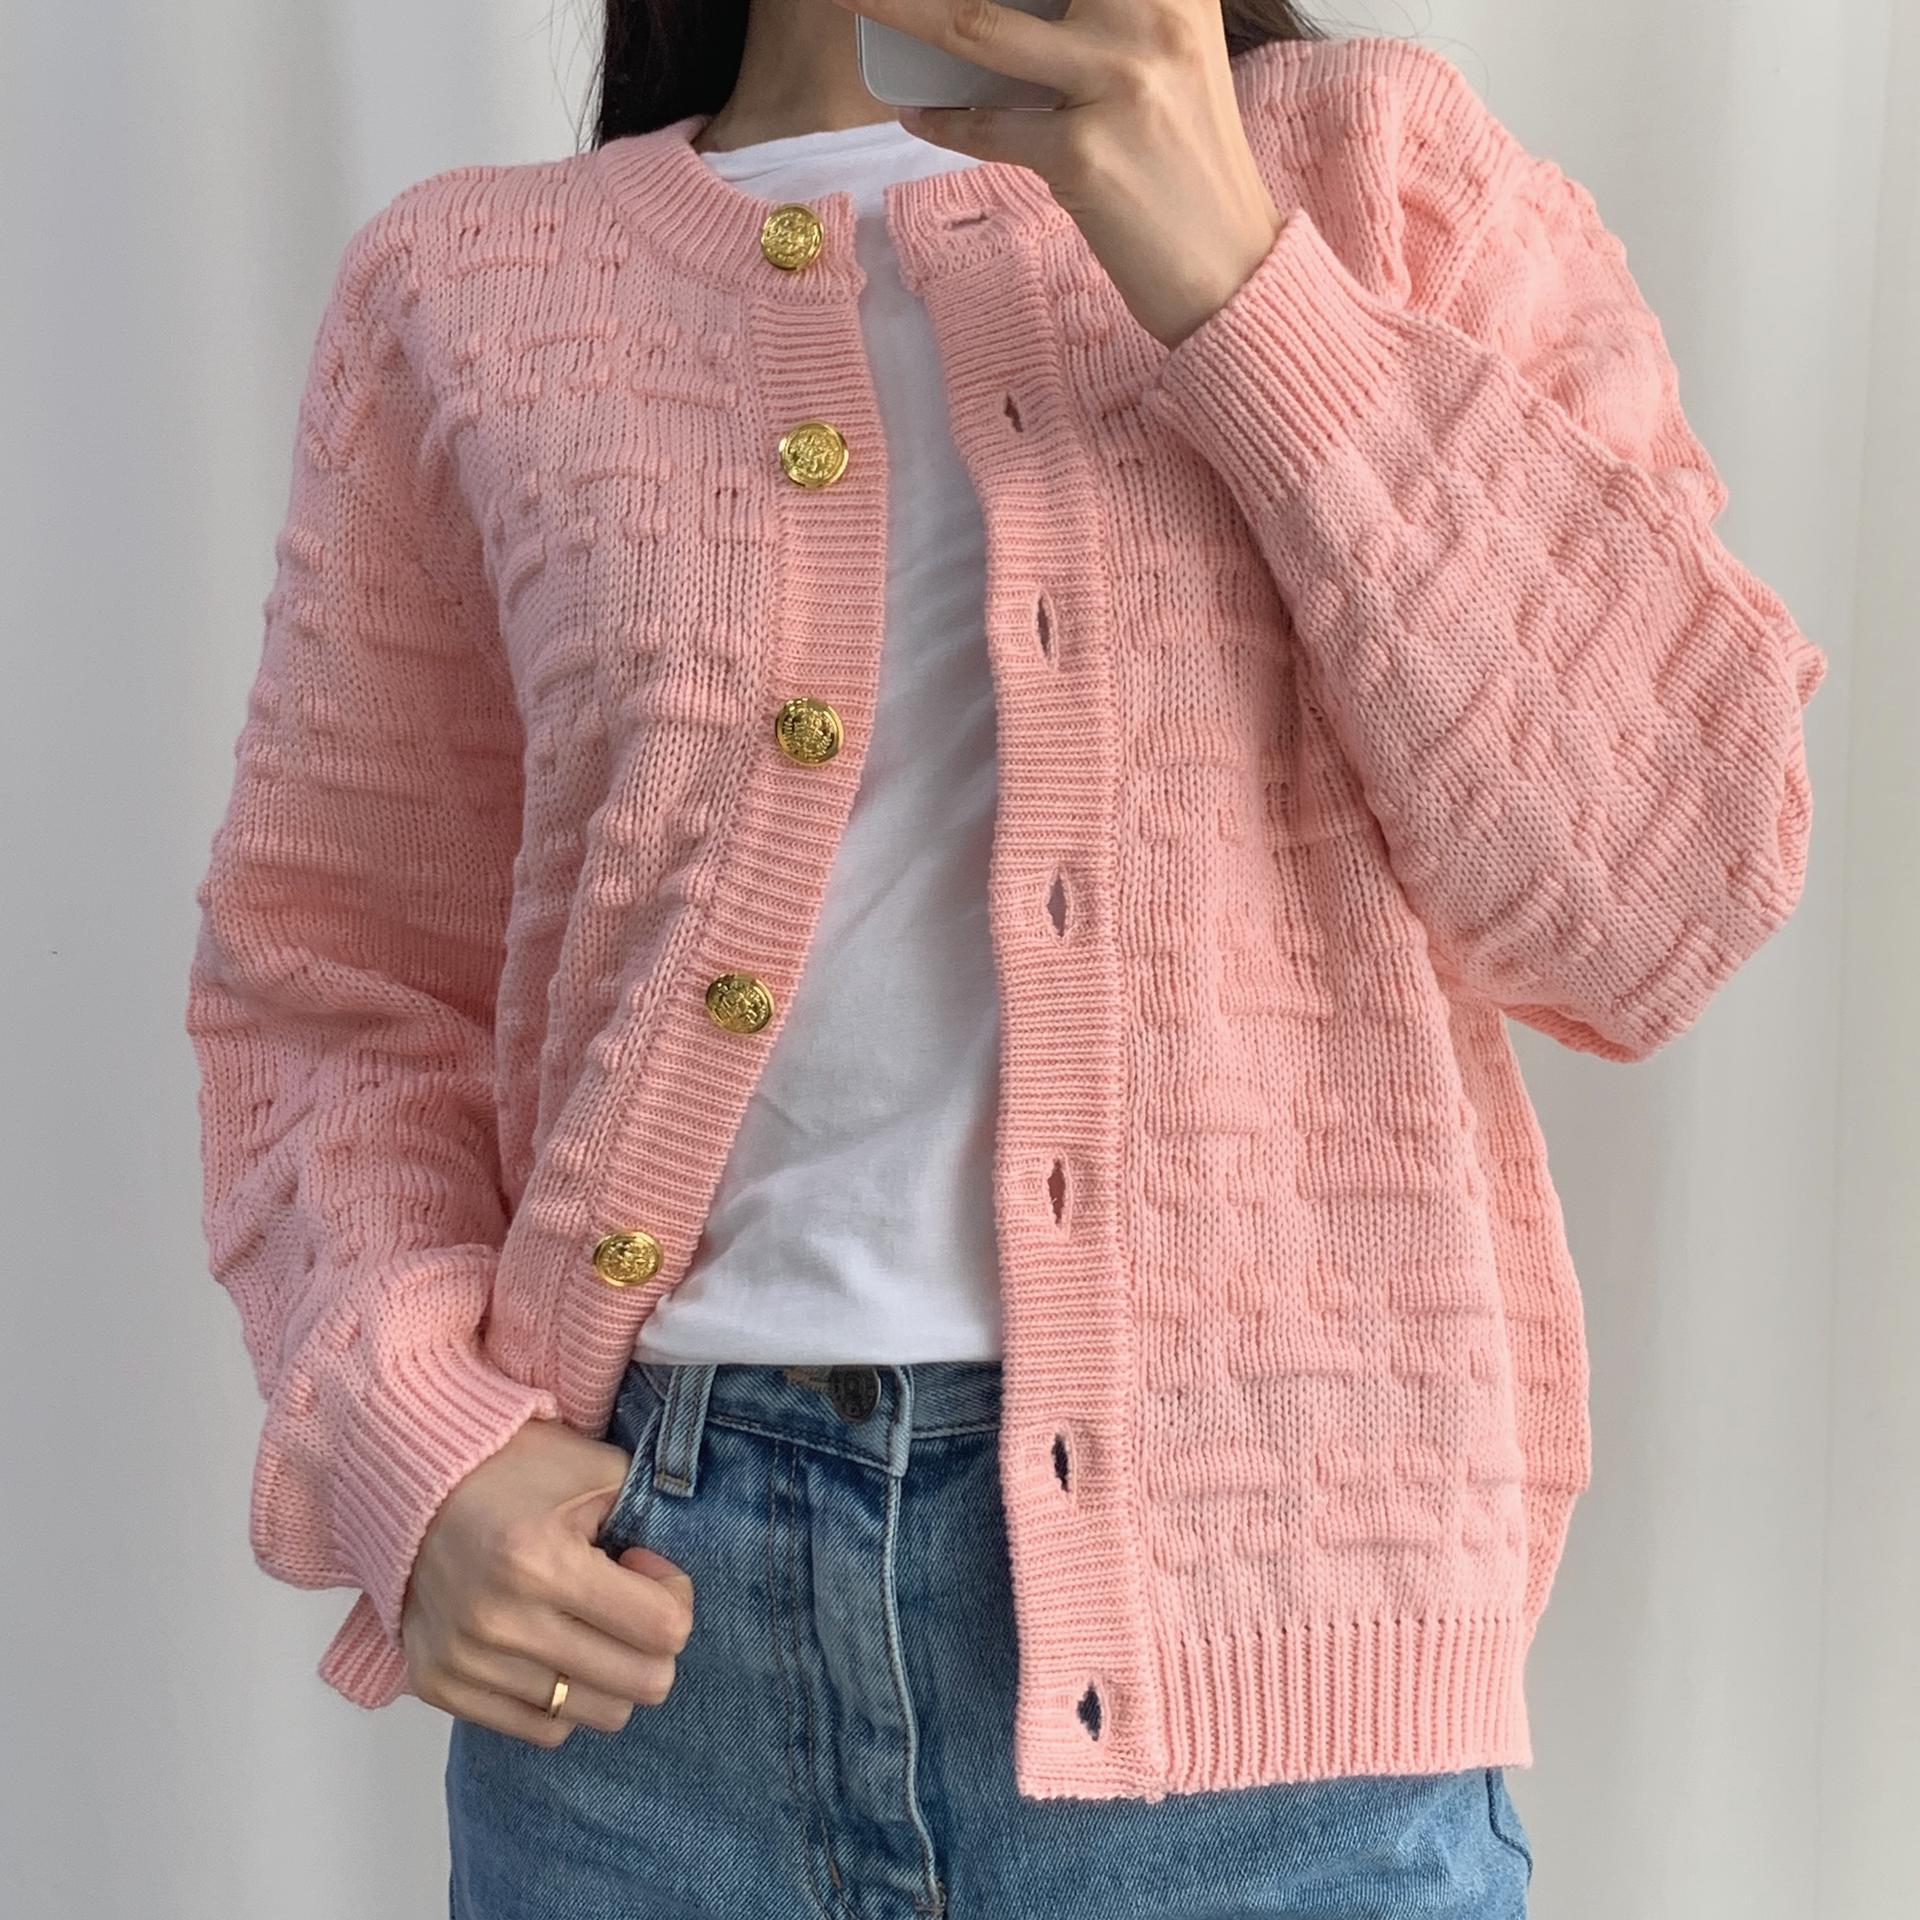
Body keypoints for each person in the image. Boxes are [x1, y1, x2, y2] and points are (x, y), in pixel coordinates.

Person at [182, 1, 1828, 1914]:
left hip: (1265, 1698)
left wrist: (1242, 277)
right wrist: (419, 1438)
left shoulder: (1371, 171)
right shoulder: (472, 284)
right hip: (643, 1678)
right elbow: (340, 984)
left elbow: (1666, 890)